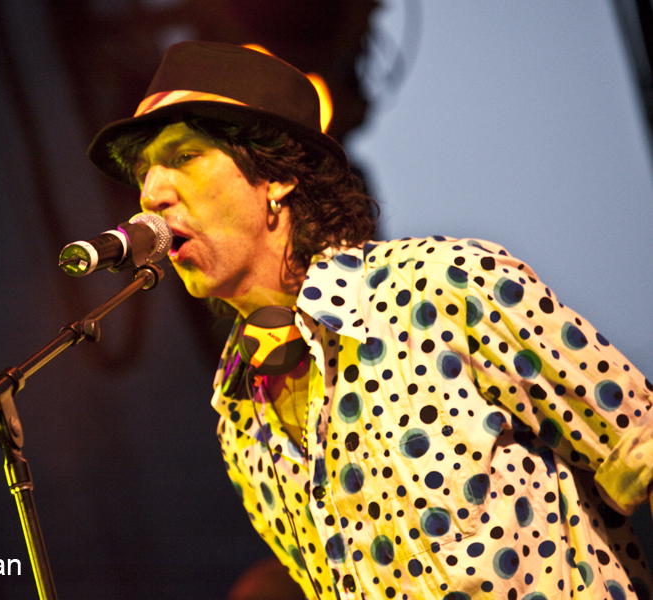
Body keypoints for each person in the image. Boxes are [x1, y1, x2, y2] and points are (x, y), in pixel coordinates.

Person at [87, 41, 653, 600]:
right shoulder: (236, 413)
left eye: (184, 157)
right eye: (143, 171)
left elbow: (641, 446)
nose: (152, 194)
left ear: (277, 175)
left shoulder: (444, 285)